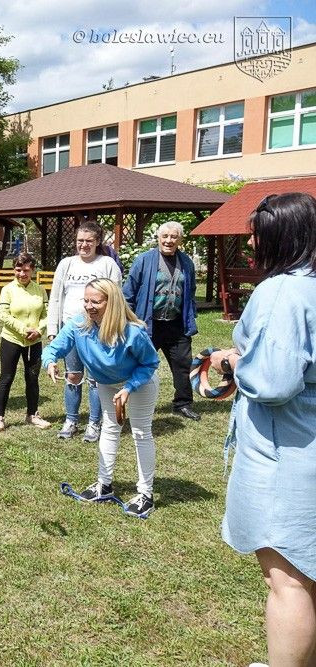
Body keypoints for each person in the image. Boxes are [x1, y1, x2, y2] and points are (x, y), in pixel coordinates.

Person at [211, 192, 316, 667]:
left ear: (282, 237)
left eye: (258, 233)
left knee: (287, 578)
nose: (250, 241)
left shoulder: (283, 290)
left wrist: (235, 362)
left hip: (285, 452)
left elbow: (273, 381)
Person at [42, 278, 160, 517]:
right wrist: (50, 361)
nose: (88, 306)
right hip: (106, 383)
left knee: (140, 433)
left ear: (112, 302)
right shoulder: (78, 325)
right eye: (85, 300)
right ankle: (103, 485)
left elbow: (150, 363)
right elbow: (55, 347)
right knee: (109, 428)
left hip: (139, 383)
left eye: (95, 301)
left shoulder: (132, 331)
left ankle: (146, 494)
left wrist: (129, 388)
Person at [46, 221, 123, 441]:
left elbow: (116, 299)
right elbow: (56, 297)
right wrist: (53, 329)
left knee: (96, 378)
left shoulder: (107, 264)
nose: (84, 245)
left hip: (100, 330)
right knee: (73, 375)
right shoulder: (66, 264)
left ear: (98, 242)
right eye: (80, 240)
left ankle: (94, 423)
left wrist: (114, 327)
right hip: (72, 329)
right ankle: (71, 420)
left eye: (89, 241)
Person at [123, 221, 200, 421]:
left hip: (176, 324)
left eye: (173, 237)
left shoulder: (186, 262)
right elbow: (128, 292)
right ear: (158, 238)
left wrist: (190, 315)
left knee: (183, 363)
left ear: (180, 240)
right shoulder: (144, 260)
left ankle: (182, 403)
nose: (168, 240)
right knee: (138, 363)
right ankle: (129, 400)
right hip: (148, 324)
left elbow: (190, 292)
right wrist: (130, 321)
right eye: (165, 236)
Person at [0, 252, 51, 431]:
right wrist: (22, 329)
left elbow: (47, 314)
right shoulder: (8, 290)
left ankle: (32, 415)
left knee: (32, 377)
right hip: (12, 339)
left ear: (32, 270)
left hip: (34, 341)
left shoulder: (40, 290)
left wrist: (39, 330)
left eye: (26, 270)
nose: (22, 274)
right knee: (6, 377)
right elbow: (3, 314)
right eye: (18, 270)